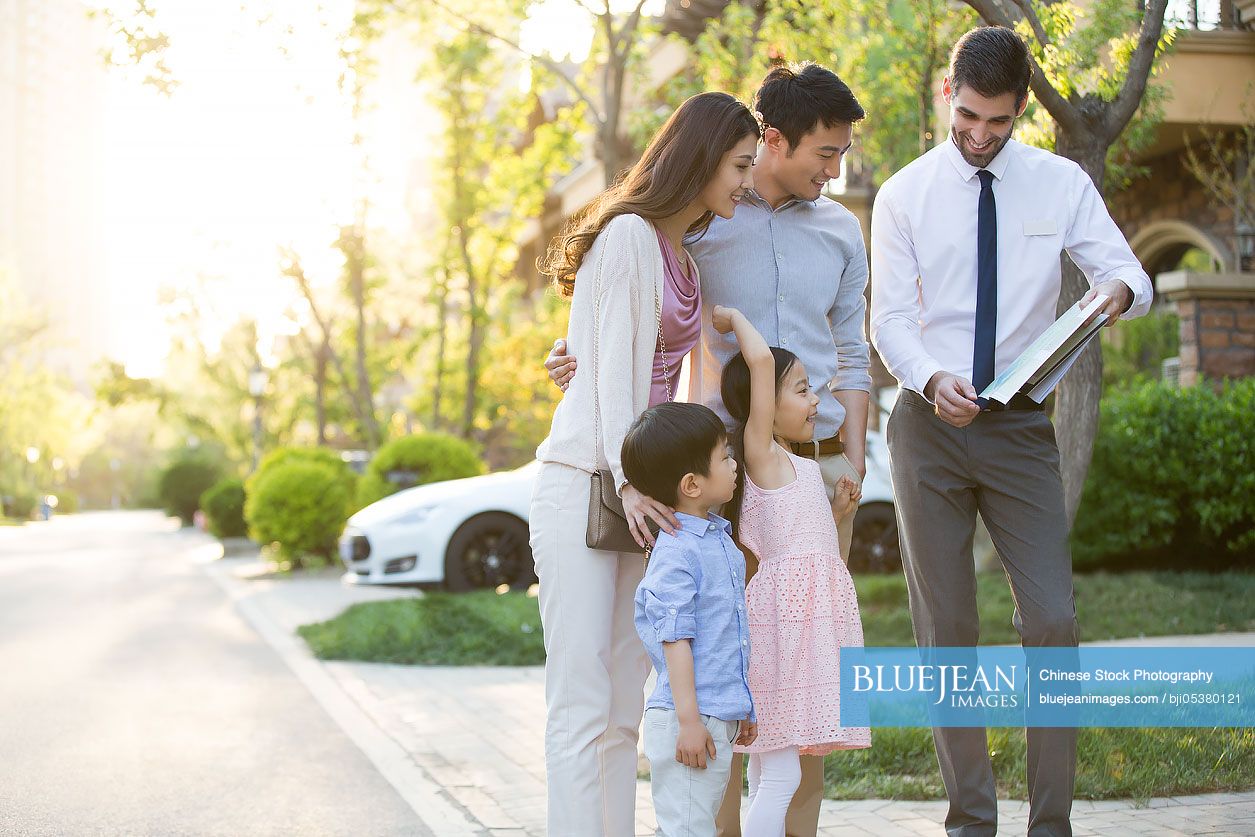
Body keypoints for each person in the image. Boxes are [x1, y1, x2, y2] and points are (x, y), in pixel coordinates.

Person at [547, 64, 873, 835]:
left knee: (808, 674)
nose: (836, 170)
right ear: (771, 139)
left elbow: (853, 354)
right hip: (715, 477)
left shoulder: (829, 230)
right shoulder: (695, 223)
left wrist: (851, 459)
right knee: (722, 664)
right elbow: (622, 316)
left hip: (812, 471)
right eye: (825, 153)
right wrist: (575, 358)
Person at [869, 26, 1154, 837]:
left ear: (1021, 107)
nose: (980, 136)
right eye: (966, 116)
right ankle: (970, 819)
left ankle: (1050, 823)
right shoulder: (903, 195)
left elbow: (1127, 270)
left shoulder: (1057, 182)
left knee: (1051, 621)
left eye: (998, 121)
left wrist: (1114, 298)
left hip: (1022, 426)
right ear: (944, 94)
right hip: (927, 426)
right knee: (948, 625)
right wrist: (930, 376)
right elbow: (888, 321)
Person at [529, 91, 760, 837]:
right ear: (697, 159)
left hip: (644, 497)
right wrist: (628, 476)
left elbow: (659, 381)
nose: (745, 183)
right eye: (737, 165)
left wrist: (668, 488)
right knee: (581, 701)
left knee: (627, 704)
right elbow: (614, 381)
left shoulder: (685, 262)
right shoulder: (628, 236)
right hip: (587, 484)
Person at [715, 304, 871, 836]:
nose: (815, 402)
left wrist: (840, 517)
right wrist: (732, 316)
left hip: (809, 636)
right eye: (802, 389)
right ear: (763, 404)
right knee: (780, 773)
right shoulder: (761, 456)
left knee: (773, 772)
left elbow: (826, 564)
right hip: (782, 639)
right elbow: (759, 360)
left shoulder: (802, 469)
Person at [626, 402, 758, 837]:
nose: (733, 462)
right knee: (687, 829)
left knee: (695, 825)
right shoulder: (677, 553)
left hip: (715, 715)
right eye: (723, 456)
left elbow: (727, 636)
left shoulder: (717, 540)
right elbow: (675, 641)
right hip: (689, 719)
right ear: (691, 484)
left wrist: (742, 707)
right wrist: (689, 723)